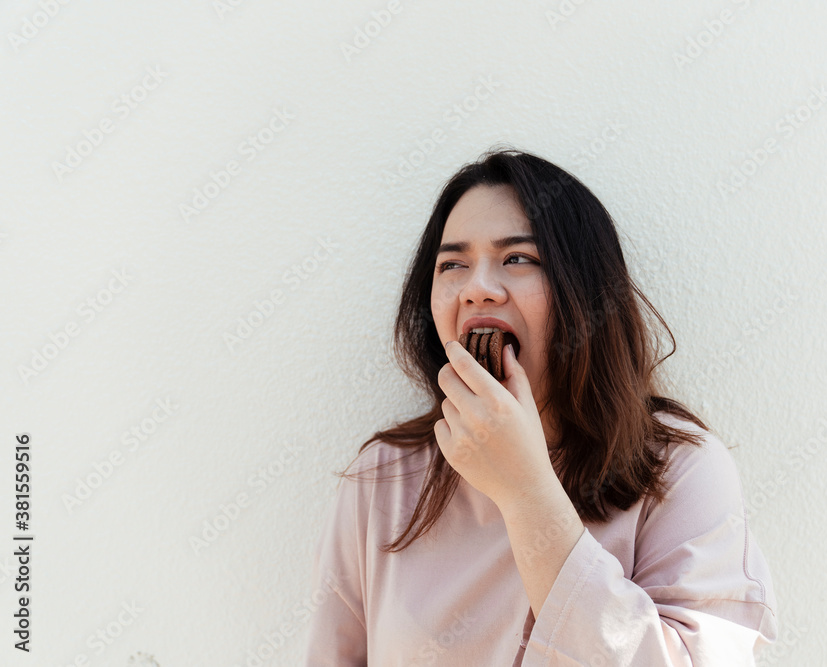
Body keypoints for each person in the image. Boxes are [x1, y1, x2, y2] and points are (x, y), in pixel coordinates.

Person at [305, 147, 778, 666]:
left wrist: (526, 492)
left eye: (518, 259)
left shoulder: (681, 471)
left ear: (584, 290)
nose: (477, 288)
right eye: (453, 264)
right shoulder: (385, 478)